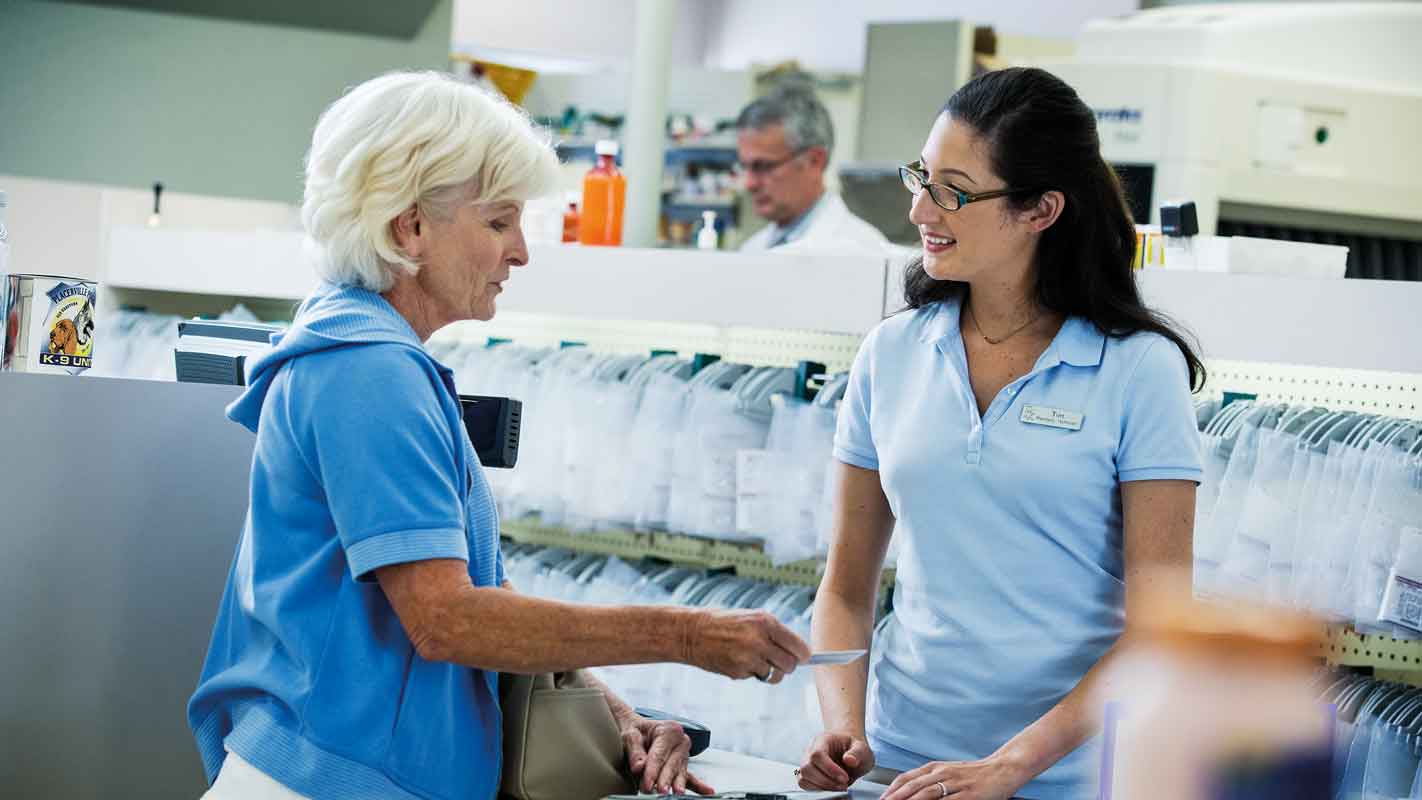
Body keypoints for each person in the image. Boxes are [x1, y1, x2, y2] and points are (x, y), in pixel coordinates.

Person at [187, 71, 810, 800]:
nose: (520, 252)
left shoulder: (366, 355)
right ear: (408, 227)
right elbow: (448, 620)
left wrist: (608, 709)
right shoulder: (369, 374)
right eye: (497, 222)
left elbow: (478, 591)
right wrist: (688, 637)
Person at [796, 67, 1205, 800]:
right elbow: (846, 590)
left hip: (1071, 778)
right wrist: (844, 725)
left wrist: (1010, 766)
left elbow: (1159, 631)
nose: (920, 206)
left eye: (952, 189)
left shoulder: (1139, 369)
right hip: (902, 766)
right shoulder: (890, 355)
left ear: (1040, 210)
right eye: (921, 174)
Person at [735, 87, 888, 253]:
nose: (749, 183)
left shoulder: (865, 251)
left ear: (815, 161)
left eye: (763, 166)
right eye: (745, 166)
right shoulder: (752, 249)